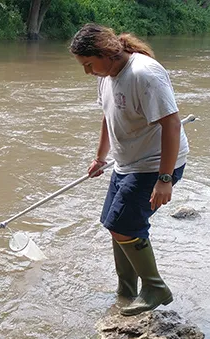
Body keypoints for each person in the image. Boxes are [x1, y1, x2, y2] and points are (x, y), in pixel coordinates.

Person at [68, 23, 189, 316]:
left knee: (124, 226)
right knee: (114, 226)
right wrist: (99, 157)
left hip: (155, 164)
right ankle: (127, 290)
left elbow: (171, 124)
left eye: (88, 64)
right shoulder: (106, 75)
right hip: (127, 164)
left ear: (106, 53)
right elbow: (108, 116)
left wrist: (164, 179)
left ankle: (155, 287)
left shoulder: (144, 73)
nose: (87, 72)